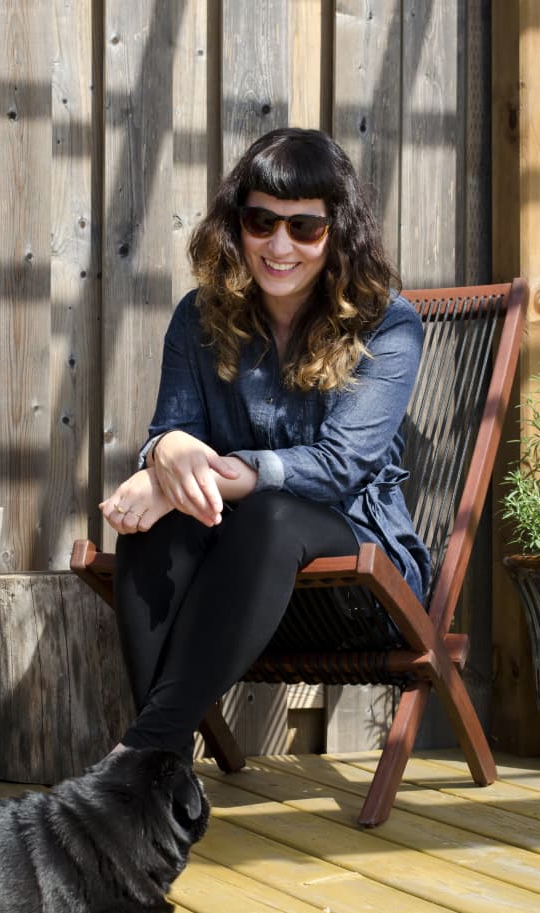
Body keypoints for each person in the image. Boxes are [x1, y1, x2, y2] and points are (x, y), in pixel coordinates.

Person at [99, 127, 430, 764]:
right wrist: (163, 452)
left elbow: (340, 468)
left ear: (338, 233)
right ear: (236, 225)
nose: (280, 246)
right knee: (152, 524)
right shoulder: (199, 317)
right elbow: (175, 430)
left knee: (269, 513)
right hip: (236, 581)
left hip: (357, 583)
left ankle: (140, 755)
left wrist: (184, 474)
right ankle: (159, 765)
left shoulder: (388, 324)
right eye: (261, 222)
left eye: (304, 227)